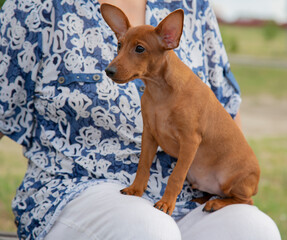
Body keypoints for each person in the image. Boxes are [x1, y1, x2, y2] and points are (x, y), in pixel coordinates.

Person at [0, 0, 281, 239]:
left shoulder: (192, 4)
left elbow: (227, 109)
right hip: (74, 189)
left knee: (256, 230)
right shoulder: (39, 7)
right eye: (120, 45)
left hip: (188, 197)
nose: (116, 60)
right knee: (149, 230)